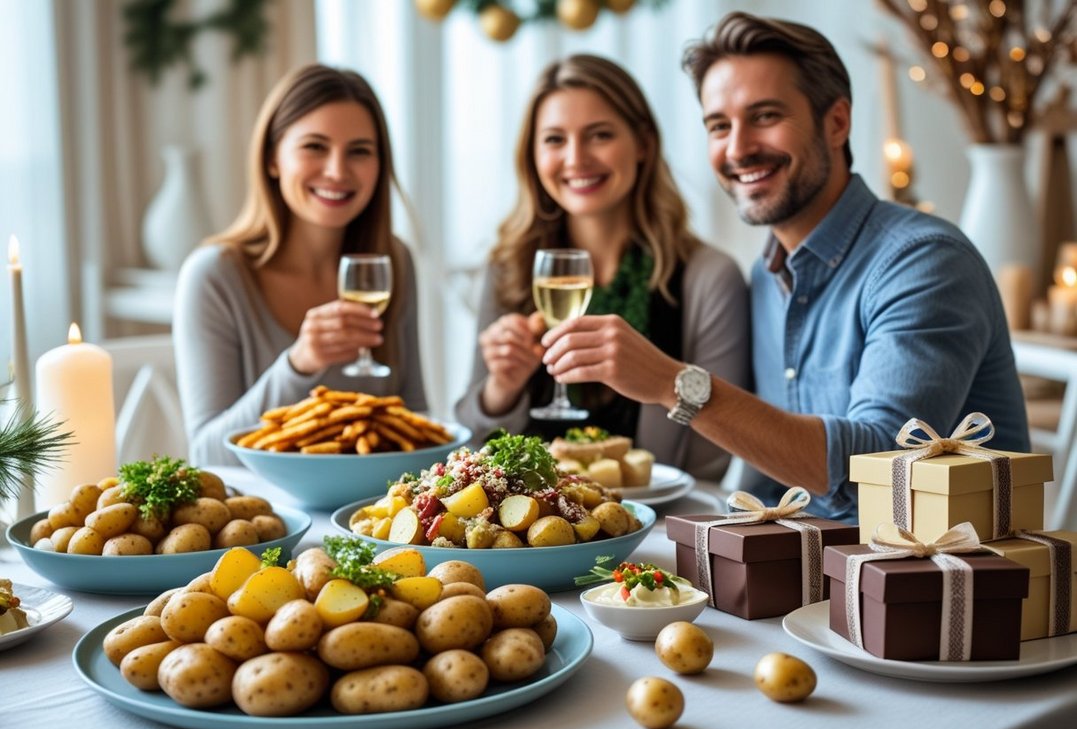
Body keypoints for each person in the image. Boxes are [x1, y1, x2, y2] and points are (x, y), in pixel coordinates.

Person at [538, 13, 1030, 522]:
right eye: (719, 126)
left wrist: (673, 383)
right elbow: (770, 476)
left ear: (837, 122)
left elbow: (882, 470)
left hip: (940, 587)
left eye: (765, 116)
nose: (738, 148)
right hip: (814, 574)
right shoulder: (765, 277)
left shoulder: (924, 262)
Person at [454, 54, 750, 482]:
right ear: (533, 156)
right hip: (526, 537)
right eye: (555, 140)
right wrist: (502, 387)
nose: (576, 159)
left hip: (655, 533)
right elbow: (473, 445)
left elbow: (709, 462)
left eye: (600, 135)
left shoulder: (708, 277)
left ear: (643, 144)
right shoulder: (509, 269)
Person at [174, 63, 427, 466]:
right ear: (273, 158)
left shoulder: (393, 261)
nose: (337, 171)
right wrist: (299, 364)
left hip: (371, 519)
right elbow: (206, 453)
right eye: (315, 147)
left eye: (359, 151)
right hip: (272, 523)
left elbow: (417, 420)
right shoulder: (213, 275)